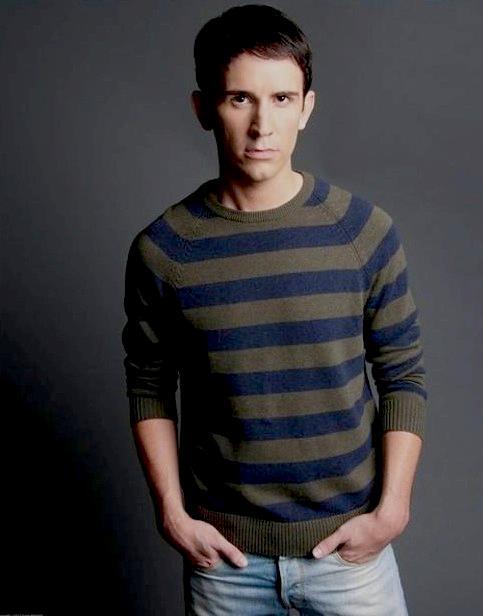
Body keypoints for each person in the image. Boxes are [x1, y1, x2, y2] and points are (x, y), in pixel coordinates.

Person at [121, 5, 427, 615]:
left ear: (307, 108)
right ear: (203, 108)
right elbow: (149, 386)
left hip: (349, 557)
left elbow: (402, 374)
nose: (263, 124)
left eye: (282, 98)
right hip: (226, 565)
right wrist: (172, 514)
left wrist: (392, 511)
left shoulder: (362, 231)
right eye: (240, 99)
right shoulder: (165, 249)